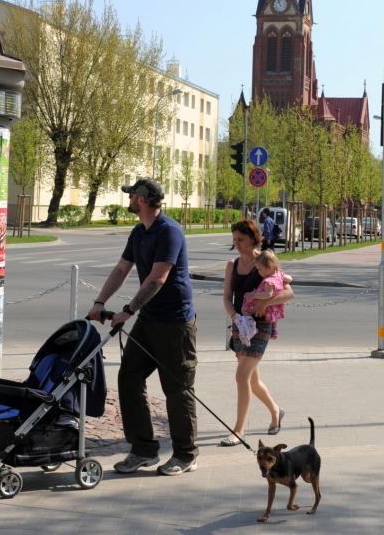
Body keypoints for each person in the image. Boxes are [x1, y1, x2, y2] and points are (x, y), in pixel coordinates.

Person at [87, 177, 199, 476]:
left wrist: (128, 309)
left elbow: (159, 278)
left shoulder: (169, 232)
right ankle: (143, 450)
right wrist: (99, 302)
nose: (129, 199)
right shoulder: (139, 232)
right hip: (150, 319)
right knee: (129, 377)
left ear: (142, 200)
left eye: (132, 195)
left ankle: (185, 454)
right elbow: (122, 269)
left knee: (177, 389)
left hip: (176, 322)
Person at [218, 220, 295, 447]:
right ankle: (276, 411)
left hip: (260, 326)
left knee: (241, 376)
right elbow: (226, 297)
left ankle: (239, 430)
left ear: (253, 238)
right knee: (252, 379)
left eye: (240, 239)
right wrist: (235, 317)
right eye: (234, 240)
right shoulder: (231, 265)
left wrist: (267, 302)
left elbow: (289, 292)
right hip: (240, 325)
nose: (237, 244)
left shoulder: (264, 261)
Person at [243, 249, 287, 338]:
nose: (259, 272)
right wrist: (286, 279)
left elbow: (268, 294)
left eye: (260, 269)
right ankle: (274, 330)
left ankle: (251, 325)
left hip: (265, 306)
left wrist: (254, 295)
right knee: (275, 319)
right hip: (276, 305)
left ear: (269, 267)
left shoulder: (268, 281)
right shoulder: (279, 274)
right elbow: (289, 278)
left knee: (244, 309)